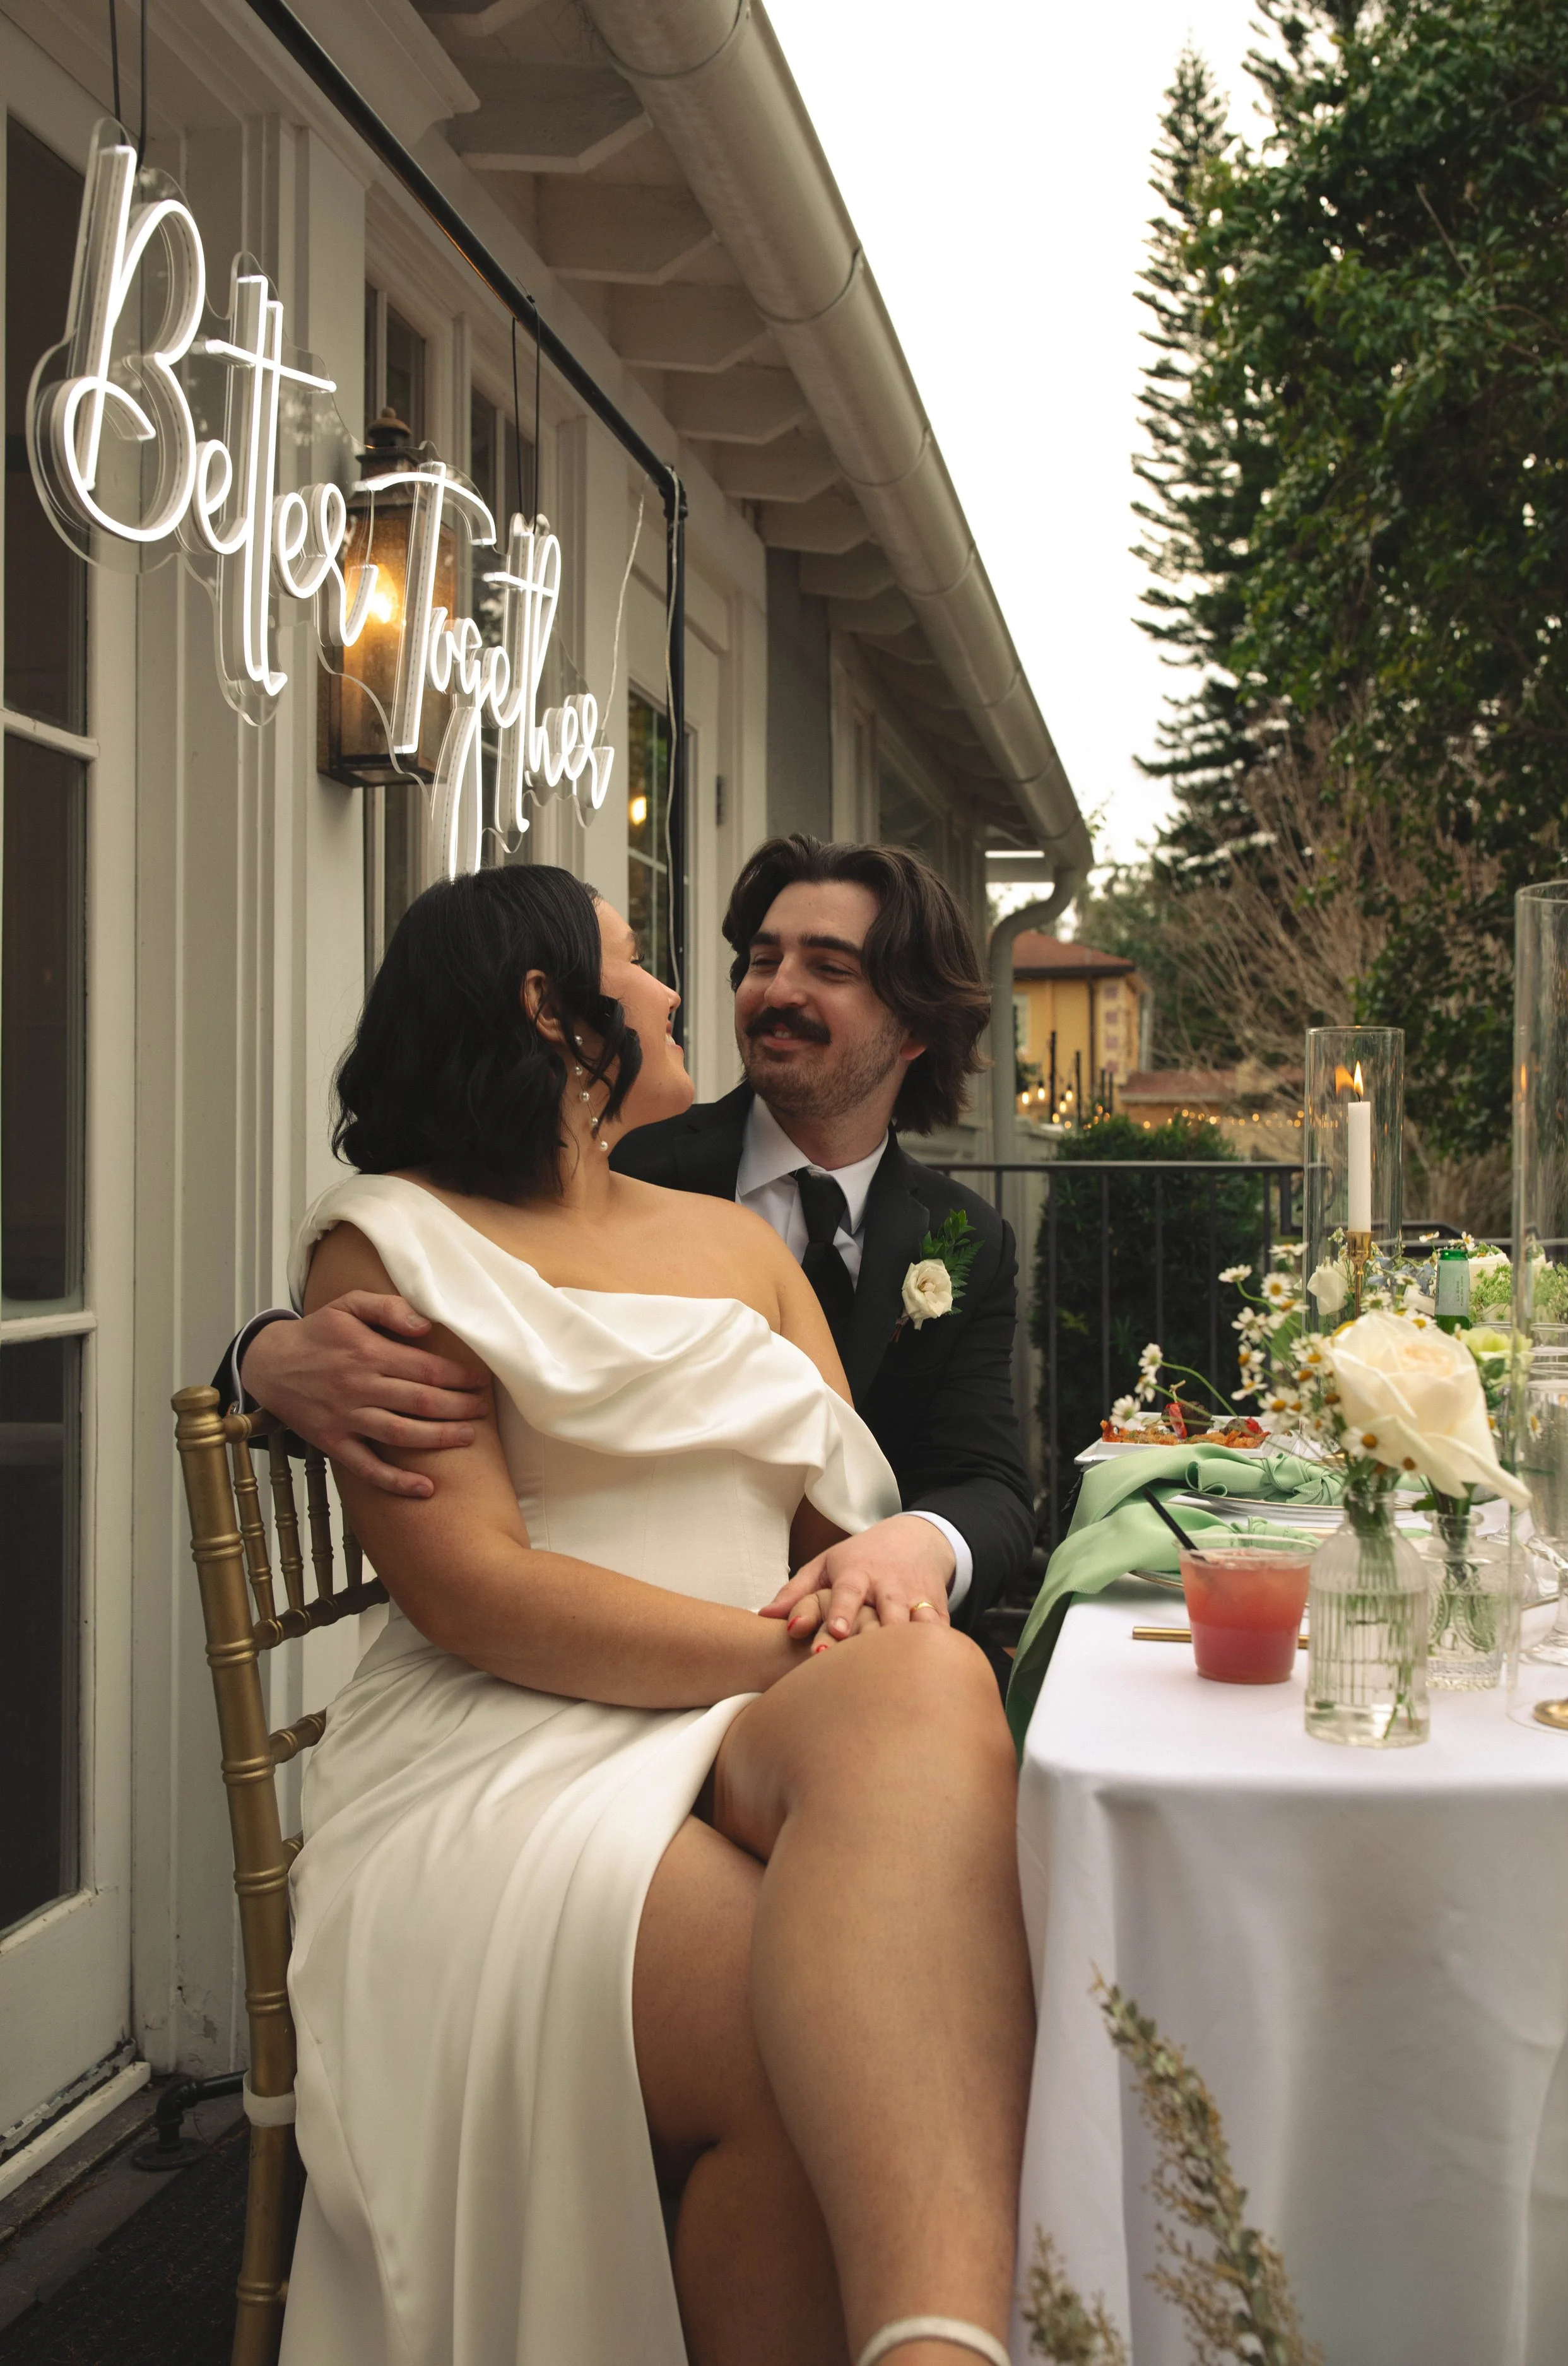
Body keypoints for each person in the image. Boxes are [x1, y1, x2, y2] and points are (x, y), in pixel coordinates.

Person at [274, 864, 1034, 2366]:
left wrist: (854, 1620)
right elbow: (479, 1596)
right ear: (551, 1012)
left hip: (746, 1719)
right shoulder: (388, 1241)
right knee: (808, 2046)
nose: (691, 992)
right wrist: (777, 1652)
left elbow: (853, 1535)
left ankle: (941, 2352)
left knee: (926, 1683)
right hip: (508, 1752)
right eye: (639, 964)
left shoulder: (738, 1246)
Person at [225, 837, 1034, 1657]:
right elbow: (416, 1292)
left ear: (913, 1029)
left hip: (831, 1645)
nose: (774, 989)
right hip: (588, 1671)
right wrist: (258, 1355)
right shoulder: (614, 1159)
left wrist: (919, 1543)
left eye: (829, 967)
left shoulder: (958, 1237)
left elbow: (988, 1480)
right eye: (761, 958)